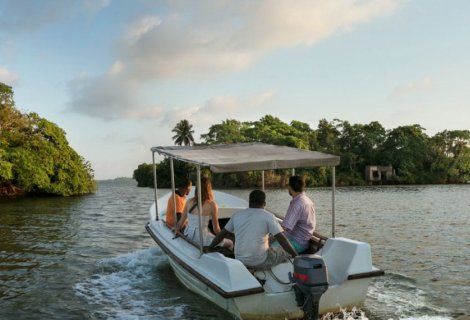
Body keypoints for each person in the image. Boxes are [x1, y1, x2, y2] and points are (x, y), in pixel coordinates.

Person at [205, 190, 297, 271]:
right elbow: (282, 239)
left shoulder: (237, 215)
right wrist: (296, 256)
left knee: (268, 246)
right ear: (264, 204)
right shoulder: (268, 216)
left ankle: (251, 270)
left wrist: (210, 247)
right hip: (260, 262)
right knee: (283, 251)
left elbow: (222, 234)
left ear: (249, 202)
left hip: (239, 260)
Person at [176, 177, 233, 250]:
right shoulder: (212, 204)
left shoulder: (189, 201)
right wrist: (223, 237)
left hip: (188, 235)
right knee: (230, 242)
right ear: (208, 189)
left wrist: (176, 230)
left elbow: (180, 224)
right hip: (202, 238)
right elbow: (216, 229)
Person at [281, 175, 316, 254]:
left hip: (296, 242)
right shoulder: (308, 200)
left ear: (290, 187)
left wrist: (268, 240)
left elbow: (284, 228)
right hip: (303, 241)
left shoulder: (297, 204)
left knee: (266, 250)